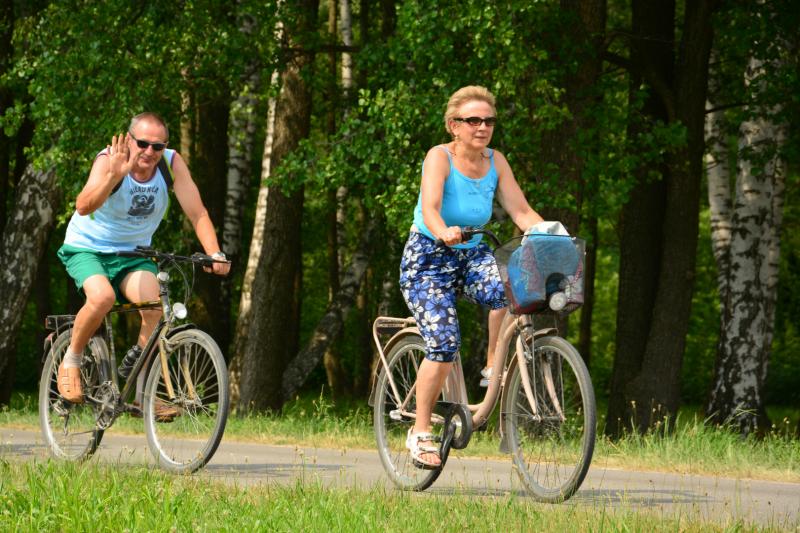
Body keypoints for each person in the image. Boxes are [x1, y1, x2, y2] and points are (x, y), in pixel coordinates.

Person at [400, 86, 544, 468]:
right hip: (428, 260)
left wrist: (548, 231)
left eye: (489, 121)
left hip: (471, 256)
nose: (482, 127)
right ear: (454, 125)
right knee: (444, 341)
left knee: (514, 288)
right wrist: (443, 230)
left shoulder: (496, 161)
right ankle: (420, 431)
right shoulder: (439, 157)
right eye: (473, 120)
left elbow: (521, 211)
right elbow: (430, 209)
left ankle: (492, 364)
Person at [56, 112, 230, 409]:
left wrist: (215, 253)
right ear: (129, 140)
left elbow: (197, 212)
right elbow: (83, 206)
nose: (150, 151)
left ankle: (142, 394)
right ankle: (71, 360)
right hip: (88, 248)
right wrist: (114, 175)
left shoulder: (170, 165)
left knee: (156, 310)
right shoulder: (109, 159)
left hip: (133, 255)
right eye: (143, 143)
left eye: (158, 146)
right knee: (102, 298)